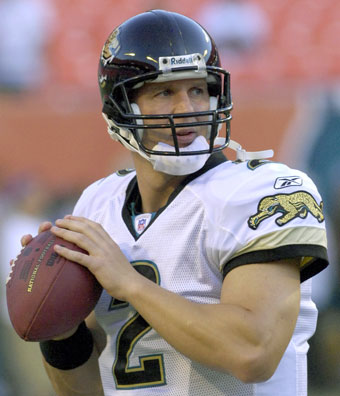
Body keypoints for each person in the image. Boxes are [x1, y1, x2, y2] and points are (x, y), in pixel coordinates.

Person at [19, 9, 328, 396]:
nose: (188, 110)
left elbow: (253, 353)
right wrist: (61, 331)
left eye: (198, 90)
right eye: (165, 92)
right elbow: (88, 389)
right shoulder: (98, 203)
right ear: (120, 107)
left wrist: (130, 284)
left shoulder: (264, 191)